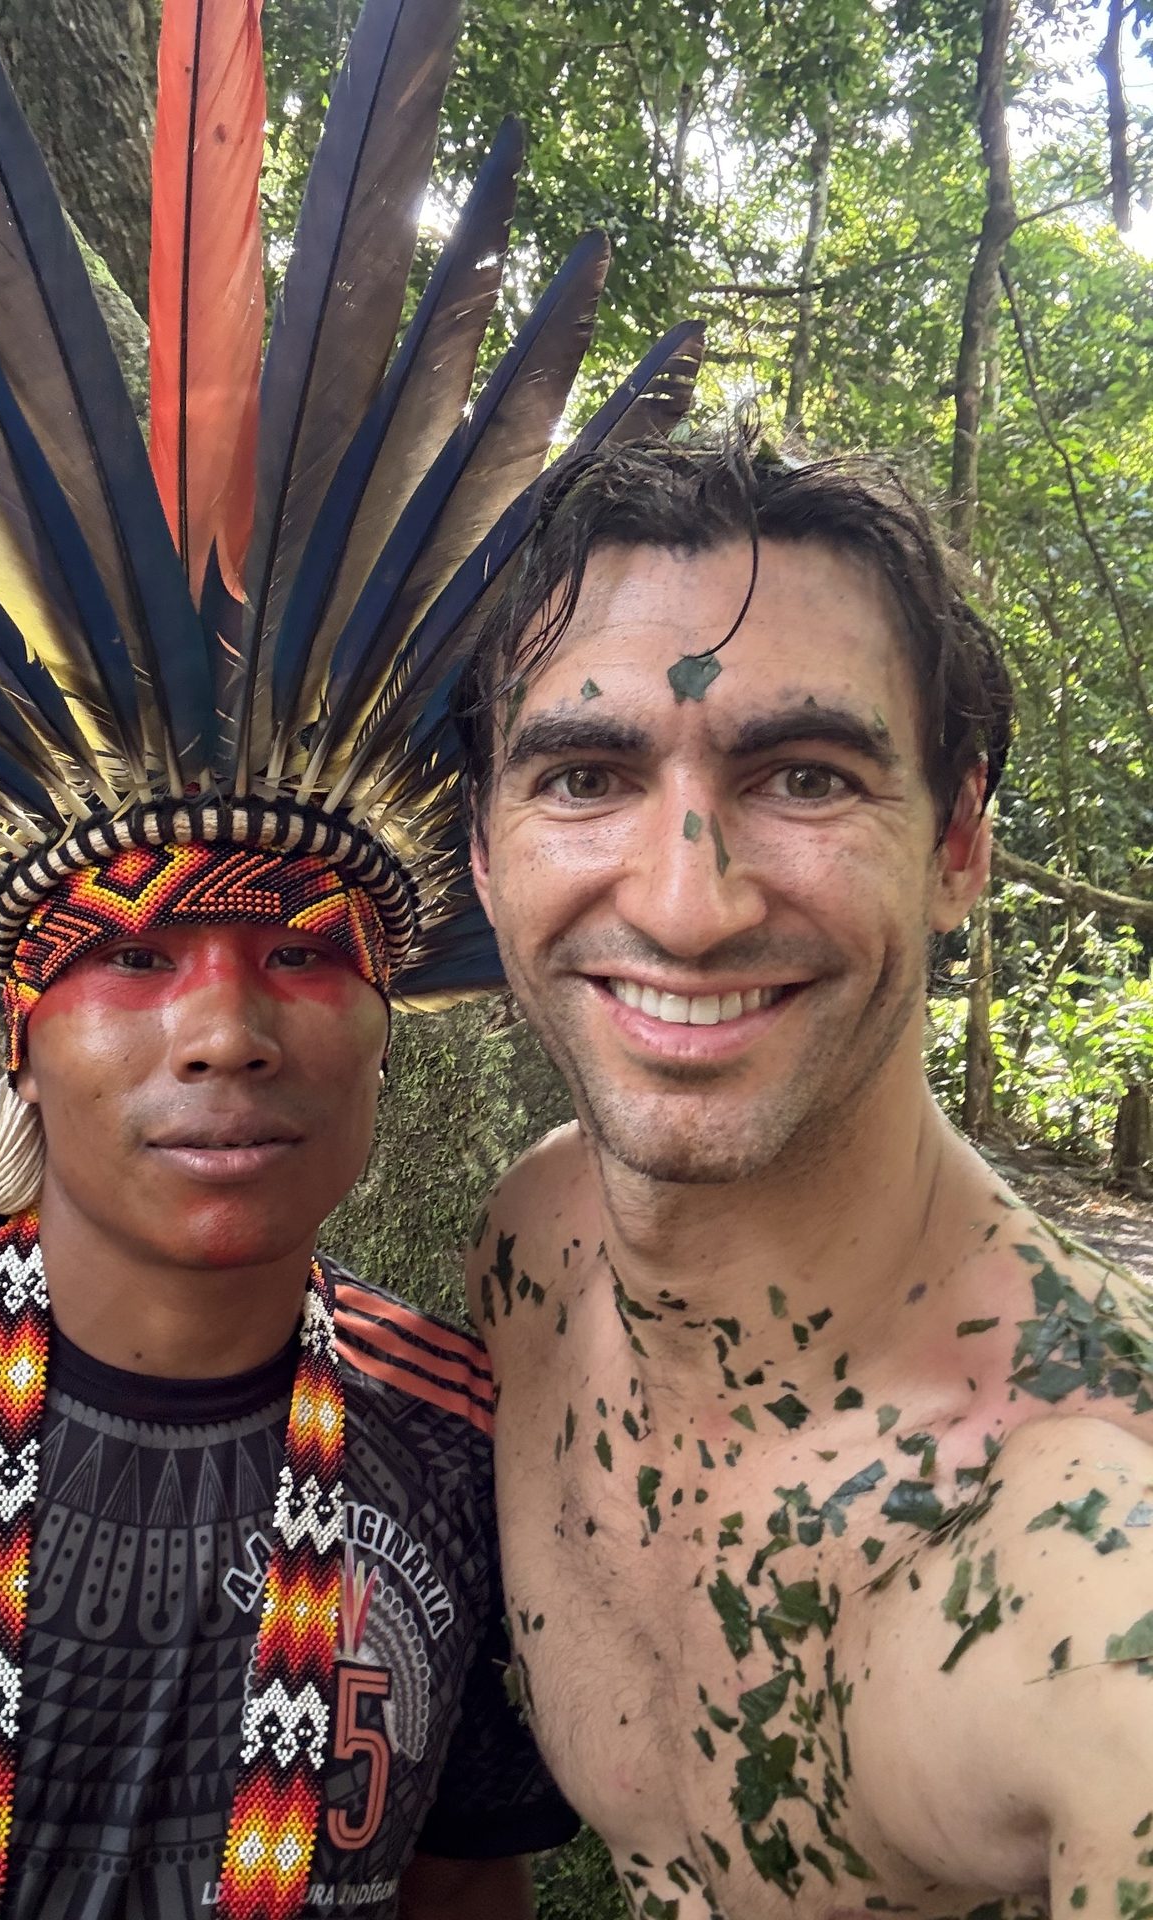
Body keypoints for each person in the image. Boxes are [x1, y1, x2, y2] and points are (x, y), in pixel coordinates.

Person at [0, 0, 703, 1913]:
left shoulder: (468, 1437)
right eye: (130, 955)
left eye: (303, 952)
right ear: (15, 1033)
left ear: (393, 1018)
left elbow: (469, 1885)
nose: (229, 1029)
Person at [458, 435, 1153, 1920]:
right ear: (481, 853)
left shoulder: (1093, 1569)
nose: (683, 902)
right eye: (586, 775)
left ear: (958, 843)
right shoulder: (535, 1252)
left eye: (808, 776)